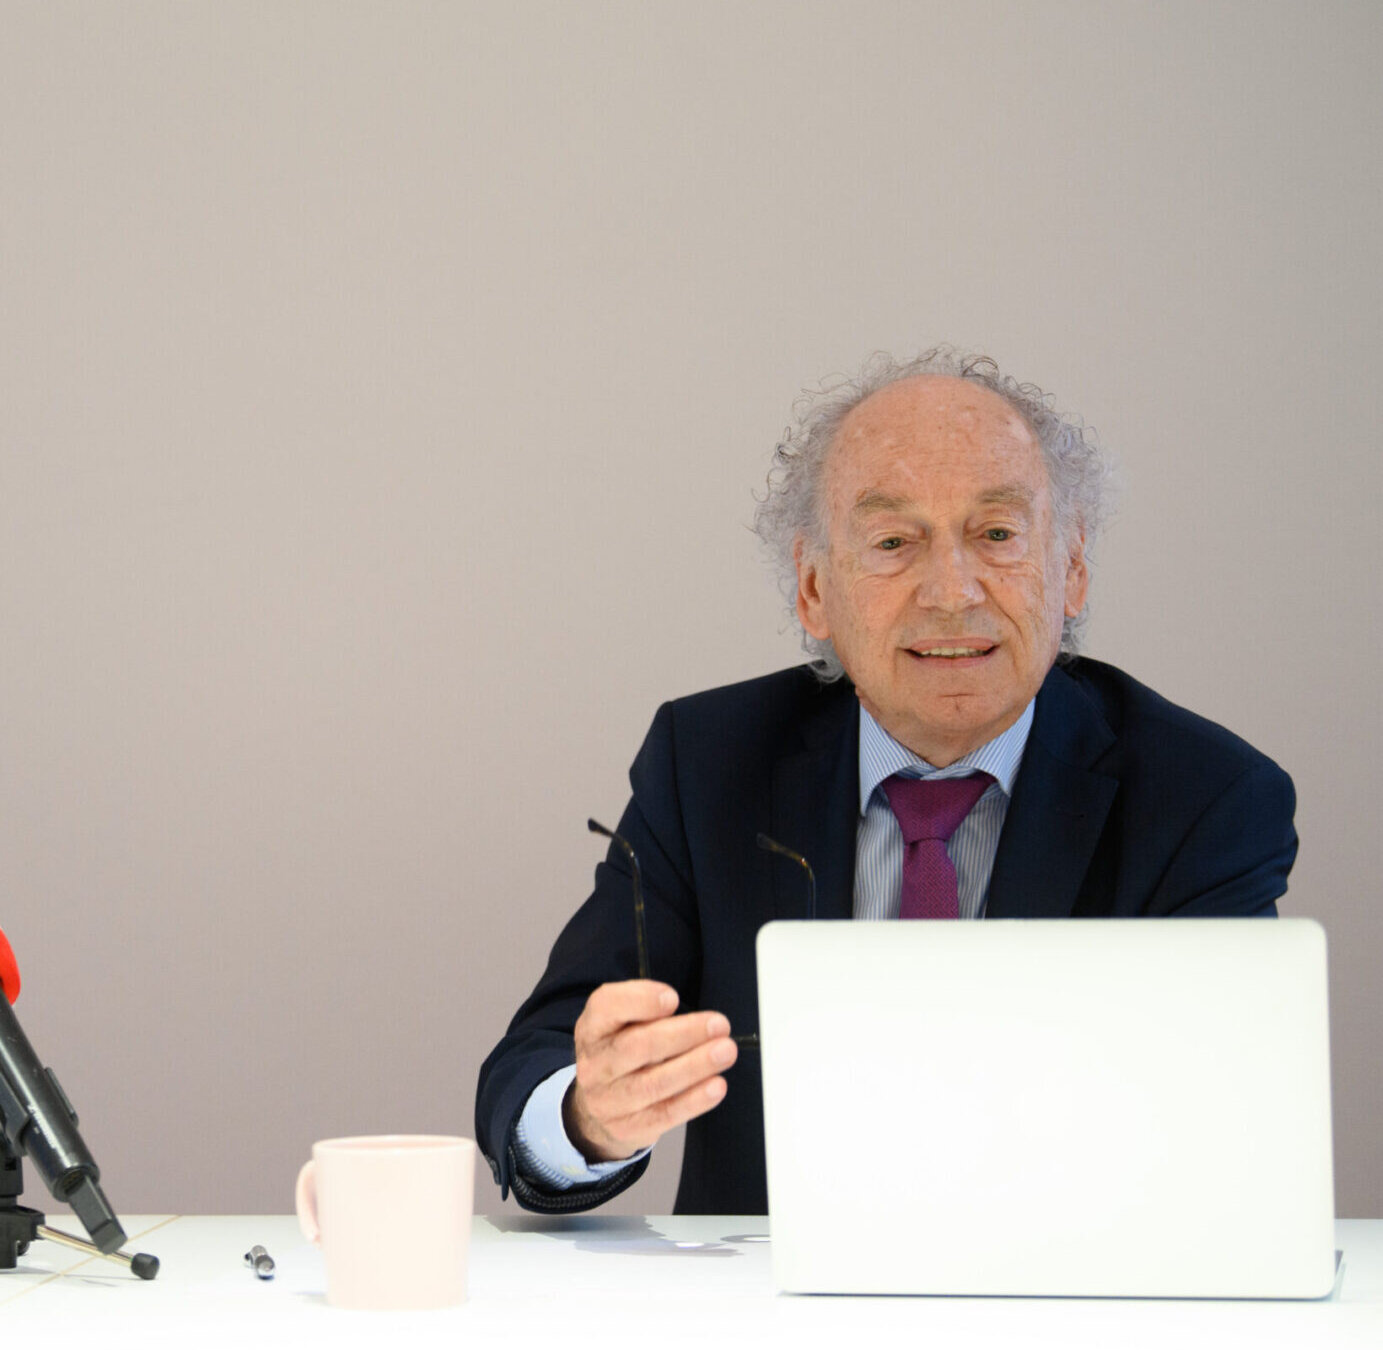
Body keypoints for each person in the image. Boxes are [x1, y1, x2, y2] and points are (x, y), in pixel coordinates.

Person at [475, 348, 1297, 1215]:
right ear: (813, 588)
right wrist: (588, 1117)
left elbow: (1226, 1131)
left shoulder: (1203, 796)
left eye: (997, 535)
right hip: (772, 1313)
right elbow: (536, 1065)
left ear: (1072, 572)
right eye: (893, 543)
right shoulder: (711, 764)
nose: (950, 592)